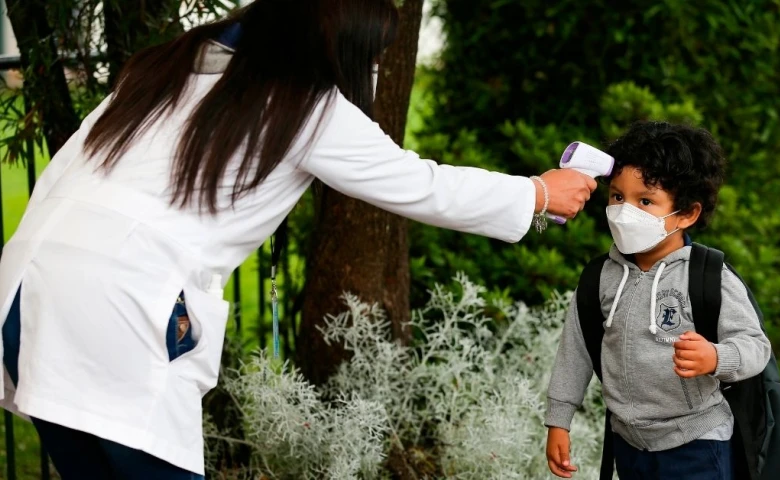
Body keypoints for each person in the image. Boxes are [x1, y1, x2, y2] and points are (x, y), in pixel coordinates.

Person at [0, 1, 596, 478]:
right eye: (374, 56)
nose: (377, 71)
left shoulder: (159, 73)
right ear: (338, 47)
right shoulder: (306, 104)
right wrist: (539, 193)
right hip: (122, 304)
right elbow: (419, 184)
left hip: (27, 288)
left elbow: (58, 179)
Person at [543, 122, 771, 479]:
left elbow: (756, 346)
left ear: (687, 214)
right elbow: (575, 350)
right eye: (618, 196)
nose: (623, 210)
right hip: (629, 444)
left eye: (645, 201)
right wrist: (559, 419)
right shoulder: (600, 277)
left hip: (698, 443)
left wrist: (716, 356)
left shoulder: (708, 275)